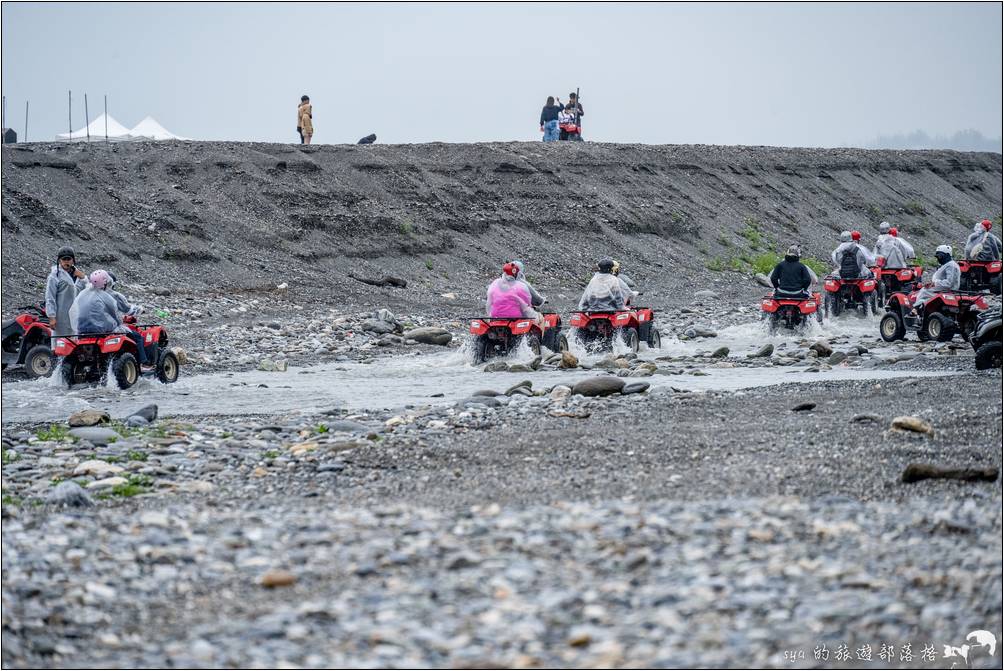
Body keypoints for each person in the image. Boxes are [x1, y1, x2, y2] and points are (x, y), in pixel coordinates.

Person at [71, 270, 151, 369]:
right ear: (107, 282)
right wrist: (141, 310)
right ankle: (144, 363)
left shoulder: (85, 294)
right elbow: (127, 310)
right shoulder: (112, 295)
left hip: (82, 331)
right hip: (105, 330)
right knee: (137, 337)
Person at [44, 246, 87, 337]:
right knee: (61, 343)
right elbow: (50, 297)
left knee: (76, 342)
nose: (66, 261)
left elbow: (89, 290)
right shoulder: (54, 276)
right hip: (61, 316)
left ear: (73, 260)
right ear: (59, 261)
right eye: (64, 259)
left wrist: (83, 278)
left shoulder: (79, 275)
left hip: (77, 316)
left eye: (69, 259)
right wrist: (51, 317)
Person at [911, 245, 960, 315]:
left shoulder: (951, 265)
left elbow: (949, 283)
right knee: (924, 292)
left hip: (946, 289)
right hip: (942, 288)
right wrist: (932, 283)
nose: (938, 259)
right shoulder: (947, 265)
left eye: (940, 256)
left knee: (924, 291)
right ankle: (921, 309)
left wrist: (934, 283)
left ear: (947, 255)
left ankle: (916, 310)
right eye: (937, 257)